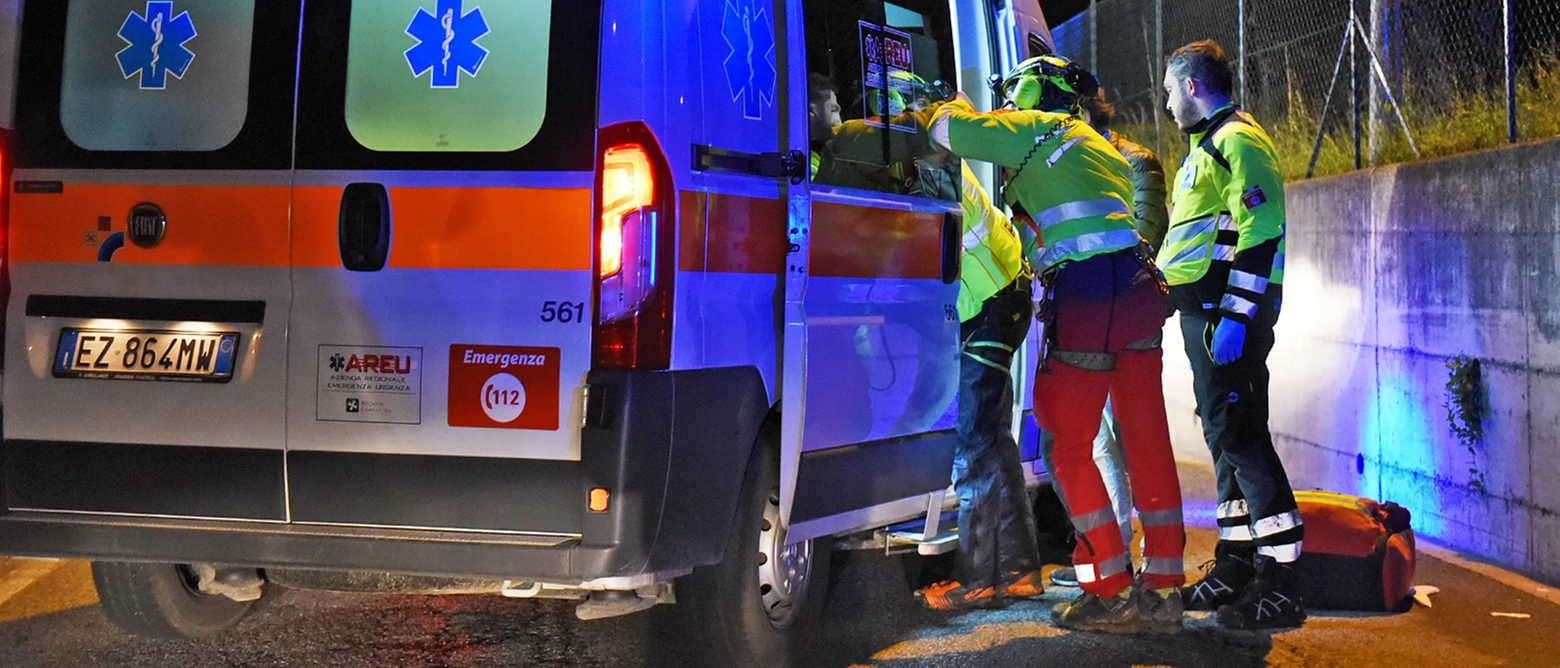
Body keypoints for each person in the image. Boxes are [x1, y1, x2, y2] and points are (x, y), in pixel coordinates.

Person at [930, 54, 1185, 634]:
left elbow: (944, 130)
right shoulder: (1099, 145)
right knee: (1146, 440)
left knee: (1065, 444)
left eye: (1015, 91)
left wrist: (951, 102)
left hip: (1089, 297)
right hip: (1140, 293)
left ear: (1032, 91)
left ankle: (1111, 590)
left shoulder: (1033, 127)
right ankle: (1165, 590)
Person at [1160, 40, 1305, 630]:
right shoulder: (1208, 147)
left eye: (1170, 91)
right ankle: (1236, 564)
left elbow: (1262, 225)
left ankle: (1282, 583)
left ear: (1192, 86)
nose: (1167, 105)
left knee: (1242, 436)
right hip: (1207, 314)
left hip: (1226, 316)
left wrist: (1237, 318)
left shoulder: (1236, 141)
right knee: (1224, 437)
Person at [1045, 87, 1172, 589]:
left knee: (1117, 441)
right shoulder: (1072, 161)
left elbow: (1143, 235)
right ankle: (1118, 558)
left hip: (1116, 310)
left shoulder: (1132, 161)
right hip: (1094, 309)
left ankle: (1119, 561)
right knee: (1099, 440)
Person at [913, 159, 1046, 610]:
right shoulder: (947, 158)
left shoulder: (928, 162)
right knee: (995, 444)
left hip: (987, 305)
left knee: (972, 449)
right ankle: (1019, 571)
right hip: (1002, 299)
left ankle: (976, 580)